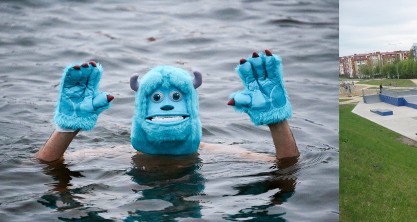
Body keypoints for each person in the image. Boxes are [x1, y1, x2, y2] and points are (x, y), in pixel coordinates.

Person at [36, 51, 299, 162]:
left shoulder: (214, 153)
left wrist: (276, 120)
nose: (164, 107)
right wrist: (68, 128)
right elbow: (45, 165)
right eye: (156, 99)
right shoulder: (120, 153)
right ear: (141, 107)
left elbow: (284, 166)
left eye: (175, 98)